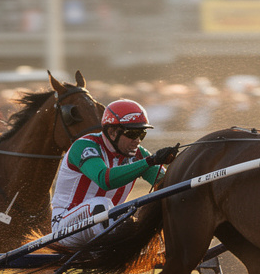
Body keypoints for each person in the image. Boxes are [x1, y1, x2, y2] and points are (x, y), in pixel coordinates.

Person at [50, 99, 178, 247]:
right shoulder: (84, 146)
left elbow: (167, 183)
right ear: (111, 132)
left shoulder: (138, 154)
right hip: (66, 227)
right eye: (132, 133)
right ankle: (118, 251)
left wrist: (181, 164)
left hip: (107, 221)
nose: (137, 140)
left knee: (160, 200)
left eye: (141, 134)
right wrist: (150, 161)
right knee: (100, 204)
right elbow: (105, 180)